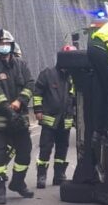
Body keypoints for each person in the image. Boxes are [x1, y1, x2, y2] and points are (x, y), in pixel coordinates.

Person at [0, 29, 35, 205]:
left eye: (6, 44)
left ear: (11, 46)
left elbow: (29, 84)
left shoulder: (22, 65)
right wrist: (8, 109)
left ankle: (18, 182)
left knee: (25, 152)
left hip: (18, 119)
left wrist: (19, 102)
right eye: (0, 44)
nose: (4, 47)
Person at [32, 47, 76, 189]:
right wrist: (38, 109)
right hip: (49, 119)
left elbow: (76, 98)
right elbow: (37, 93)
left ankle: (59, 175)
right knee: (45, 148)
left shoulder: (74, 77)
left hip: (66, 120)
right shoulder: (48, 74)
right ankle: (41, 176)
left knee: (62, 149)